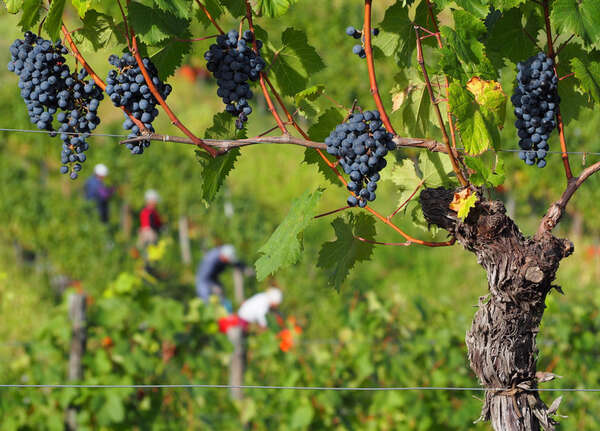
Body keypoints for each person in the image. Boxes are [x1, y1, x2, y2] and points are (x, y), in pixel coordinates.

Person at [195, 245, 247, 311]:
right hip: (203, 280)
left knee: (221, 296)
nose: (228, 261)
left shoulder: (224, 256)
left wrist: (245, 269)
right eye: (228, 259)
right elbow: (205, 277)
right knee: (206, 300)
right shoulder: (211, 260)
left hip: (213, 279)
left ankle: (225, 314)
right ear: (223, 256)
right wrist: (213, 286)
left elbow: (235, 263)